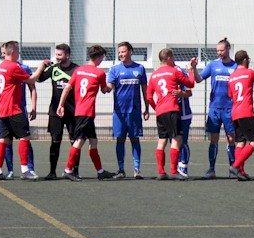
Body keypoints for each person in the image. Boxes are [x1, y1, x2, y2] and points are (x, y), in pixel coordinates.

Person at [0, 40, 40, 181]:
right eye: (18, 51)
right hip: (15, 109)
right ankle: (25, 170)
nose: (19, 53)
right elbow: (31, 79)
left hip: (2, 109)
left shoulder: (1, 66)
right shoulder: (14, 67)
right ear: (13, 52)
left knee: (3, 139)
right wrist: (41, 67)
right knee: (24, 138)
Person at [57, 45, 114, 181]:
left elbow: (67, 88)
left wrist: (61, 105)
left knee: (93, 141)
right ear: (99, 58)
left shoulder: (79, 70)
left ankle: (100, 171)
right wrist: (112, 84)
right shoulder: (99, 73)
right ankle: (68, 170)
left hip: (80, 111)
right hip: (87, 112)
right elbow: (105, 90)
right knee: (80, 141)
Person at [146, 48, 196, 180]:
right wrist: (190, 72)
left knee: (162, 141)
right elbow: (191, 83)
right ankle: (174, 171)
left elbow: (149, 97)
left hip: (160, 112)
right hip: (172, 109)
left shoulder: (154, 75)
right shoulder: (174, 71)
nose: (174, 59)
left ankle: (161, 172)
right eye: (173, 57)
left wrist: (156, 108)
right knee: (177, 139)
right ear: (168, 58)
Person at [191, 38, 237, 179]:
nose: (219, 52)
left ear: (228, 49)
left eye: (221, 50)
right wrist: (193, 68)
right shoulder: (212, 65)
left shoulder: (236, 66)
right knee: (213, 139)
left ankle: (233, 169)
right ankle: (211, 169)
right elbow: (198, 79)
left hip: (230, 108)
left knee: (231, 138)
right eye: (217, 50)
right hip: (215, 108)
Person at [32, 43, 78, 180]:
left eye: (60, 55)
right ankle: (52, 172)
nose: (57, 57)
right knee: (55, 141)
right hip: (55, 111)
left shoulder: (77, 69)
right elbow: (39, 79)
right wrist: (42, 65)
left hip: (73, 111)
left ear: (67, 55)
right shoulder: (53, 68)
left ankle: (74, 171)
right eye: (56, 54)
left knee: (74, 142)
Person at [107, 42, 149, 179]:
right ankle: (121, 170)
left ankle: (137, 170)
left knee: (135, 139)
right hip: (119, 113)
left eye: (123, 52)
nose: (121, 54)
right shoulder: (114, 70)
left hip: (135, 111)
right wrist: (103, 86)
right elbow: (109, 86)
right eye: (119, 52)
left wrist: (147, 108)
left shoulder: (140, 69)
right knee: (120, 139)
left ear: (130, 52)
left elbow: (145, 90)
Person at [228, 50, 254, 181]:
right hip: (247, 112)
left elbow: (231, 95)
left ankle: (241, 172)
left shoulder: (232, 77)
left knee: (240, 142)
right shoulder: (250, 73)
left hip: (235, 112)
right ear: (245, 60)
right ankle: (235, 166)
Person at [175, 66, 194, 178]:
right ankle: (177, 164)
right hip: (170, 114)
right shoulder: (162, 72)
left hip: (183, 114)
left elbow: (189, 92)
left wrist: (180, 93)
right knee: (173, 142)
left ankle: (184, 166)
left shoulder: (180, 72)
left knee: (183, 141)